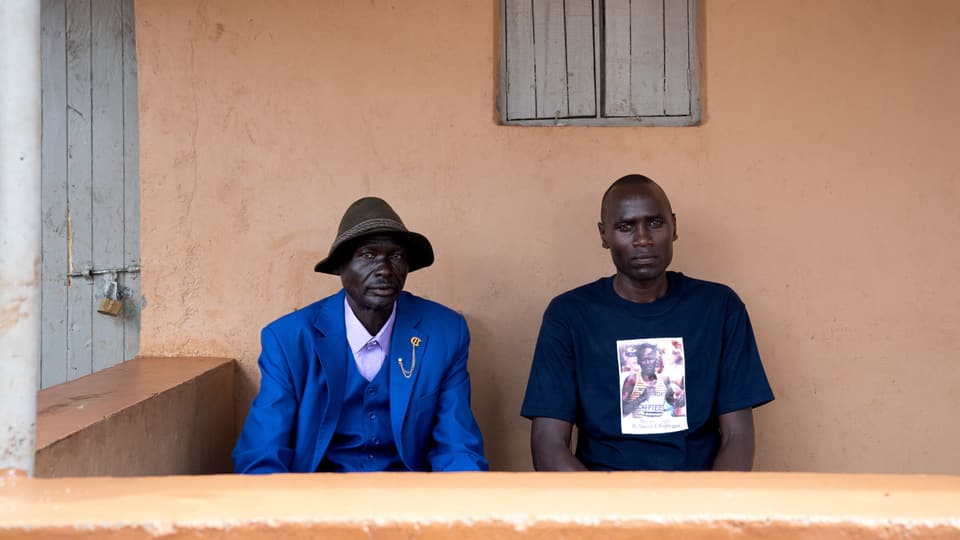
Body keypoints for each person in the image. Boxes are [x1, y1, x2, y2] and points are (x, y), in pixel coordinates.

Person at [521, 174, 774, 471]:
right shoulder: (569, 315)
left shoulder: (719, 308)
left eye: (655, 223)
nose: (643, 239)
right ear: (604, 235)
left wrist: (708, 510)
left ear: (674, 227)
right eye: (625, 227)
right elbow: (548, 444)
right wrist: (606, 514)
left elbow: (738, 436)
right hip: (600, 501)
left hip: (697, 500)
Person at [233, 197, 488, 473]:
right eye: (368, 255)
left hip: (409, 504)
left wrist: (462, 511)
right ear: (340, 267)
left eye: (396, 256)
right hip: (318, 503)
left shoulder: (444, 333)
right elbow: (262, 454)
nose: (385, 270)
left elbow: (457, 447)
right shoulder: (288, 340)